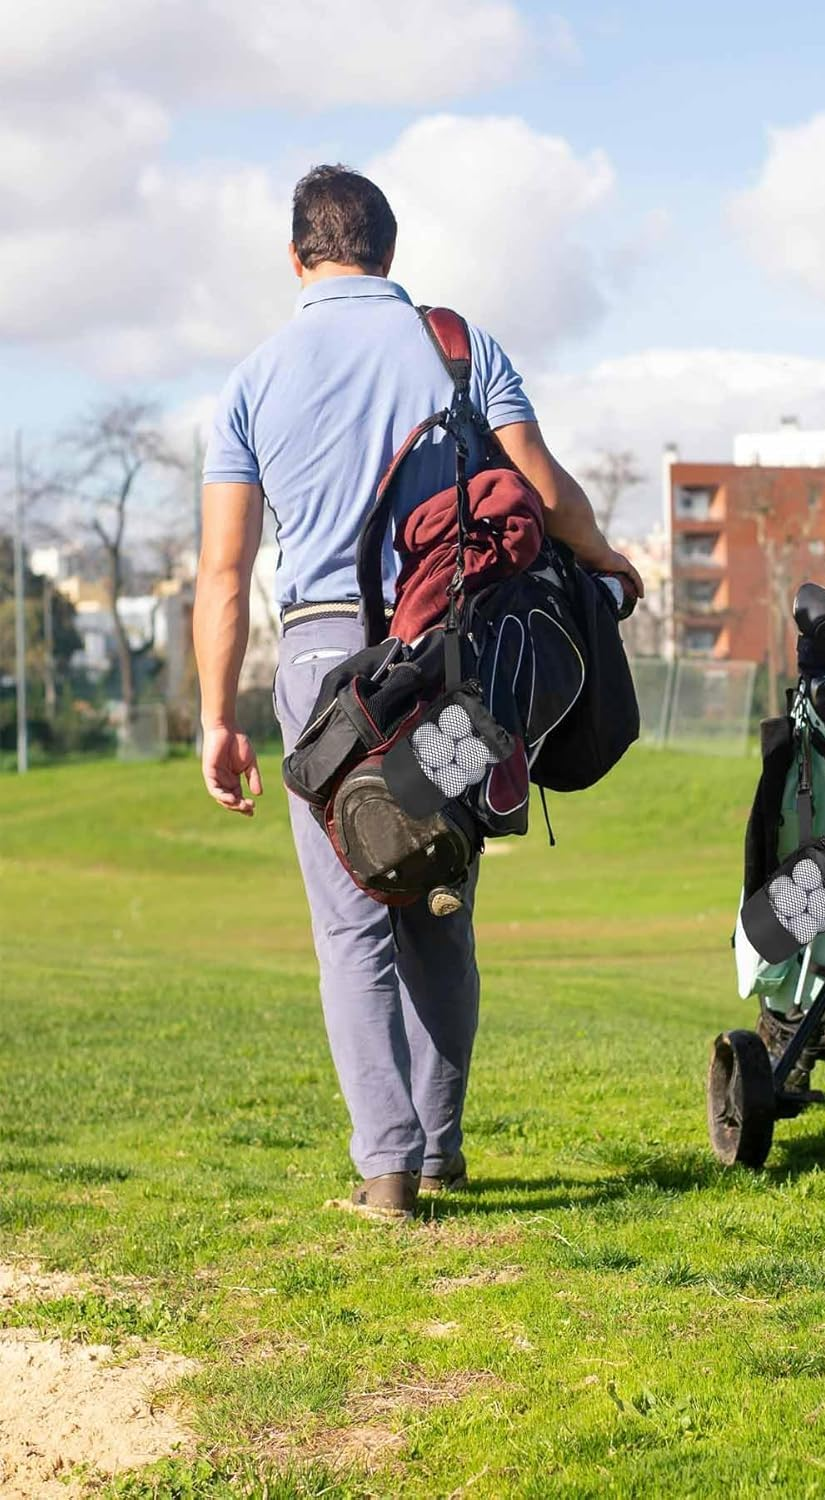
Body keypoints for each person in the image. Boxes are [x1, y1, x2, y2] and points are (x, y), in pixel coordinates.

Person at [193, 164, 641, 1220]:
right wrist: (607, 554)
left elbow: (222, 570)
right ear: (389, 254)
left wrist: (218, 715)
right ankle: (439, 1151)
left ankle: (388, 1171)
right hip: (447, 662)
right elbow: (540, 486)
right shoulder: (457, 346)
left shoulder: (253, 378)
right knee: (438, 898)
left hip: (319, 667)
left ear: (298, 260)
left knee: (353, 920)